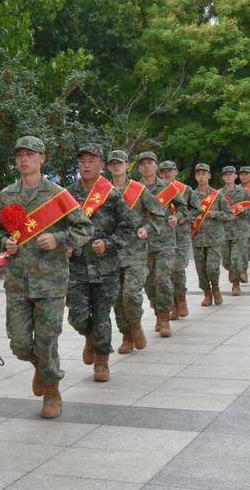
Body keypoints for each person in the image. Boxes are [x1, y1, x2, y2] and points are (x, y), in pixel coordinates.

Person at [0, 136, 92, 419]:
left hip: (50, 281)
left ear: (42, 158)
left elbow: (84, 228)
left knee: (48, 340)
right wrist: (5, 243)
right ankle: (40, 367)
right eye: (20, 155)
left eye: (30, 154)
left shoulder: (58, 195)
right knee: (20, 343)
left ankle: (52, 390)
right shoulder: (6, 195)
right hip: (17, 281)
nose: (24, 160)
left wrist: (59, 238)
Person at [66, 143, 133, 383]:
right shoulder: (67, 193)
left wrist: (109, 243)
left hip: (105, 268)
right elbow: (59, 225)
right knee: (77, 317)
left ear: (101, 165)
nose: (85, 165)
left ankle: (102, 361)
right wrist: (64, 243)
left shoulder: (112, 194)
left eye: (91, 161)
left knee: (102, 316)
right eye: (82, 161)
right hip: (76, 267)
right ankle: (90, 337)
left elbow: (127, 228)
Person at [107, 150, 165, 354]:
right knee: (117, 298)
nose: (116, 167)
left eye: (120, 163)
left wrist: (146, 229)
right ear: (108, 167)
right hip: (111, 254)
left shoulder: (138, 190)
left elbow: (159, 214)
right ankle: (127, 335)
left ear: (126, 166)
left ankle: (136, 324)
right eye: (112, 164)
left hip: (136, 253)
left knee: (130, 294)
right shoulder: (103, 192)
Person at [137, 151, 188, 338]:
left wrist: (177, 216)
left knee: (163, 279)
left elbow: (183, 207)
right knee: (149, 284)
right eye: (143, 164)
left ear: (156, 166)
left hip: (165, 240)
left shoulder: (167, 187)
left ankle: (165, 317)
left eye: (150, 163)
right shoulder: (134, 189)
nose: (147, 166)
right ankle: (158, 313)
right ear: (139, 167)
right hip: (143, 242)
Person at [189, 164, 233, 306]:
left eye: (204, 174)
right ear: (195, 177)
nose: (201, 177)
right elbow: (185, 214)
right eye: (198, 174)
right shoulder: (191, 196)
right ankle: (207, 294)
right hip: (197, 239)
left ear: (209, 176)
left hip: (214, 238)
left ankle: (215, 288)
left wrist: (215, 214)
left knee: (212, 268)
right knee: (201, 270)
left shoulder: (217, 195)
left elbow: (229, 214)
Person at [159, 160, 194, 320]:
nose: (166, 174)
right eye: (163, 171)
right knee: (166, 273)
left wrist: (179, 217)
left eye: (169, 171)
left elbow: (196, 209)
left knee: (178, 269)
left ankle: (181, 299)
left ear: (176, 172)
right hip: (163, 239)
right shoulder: (155, 190)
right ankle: (172, 305)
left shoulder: (185, 190)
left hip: (181, 237)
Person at [219, 167, 250, 296]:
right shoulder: (218, 194)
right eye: (225, 175)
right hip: (224, 231)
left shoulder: (244, 192)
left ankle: (236, 284)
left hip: (240, 230)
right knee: (226, 261)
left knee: (235, 259)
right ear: (222, 177)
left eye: (231, 174)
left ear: (235, 176)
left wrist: (244, 210)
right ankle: (240, 269)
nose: (228, 177)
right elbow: (215, 212)